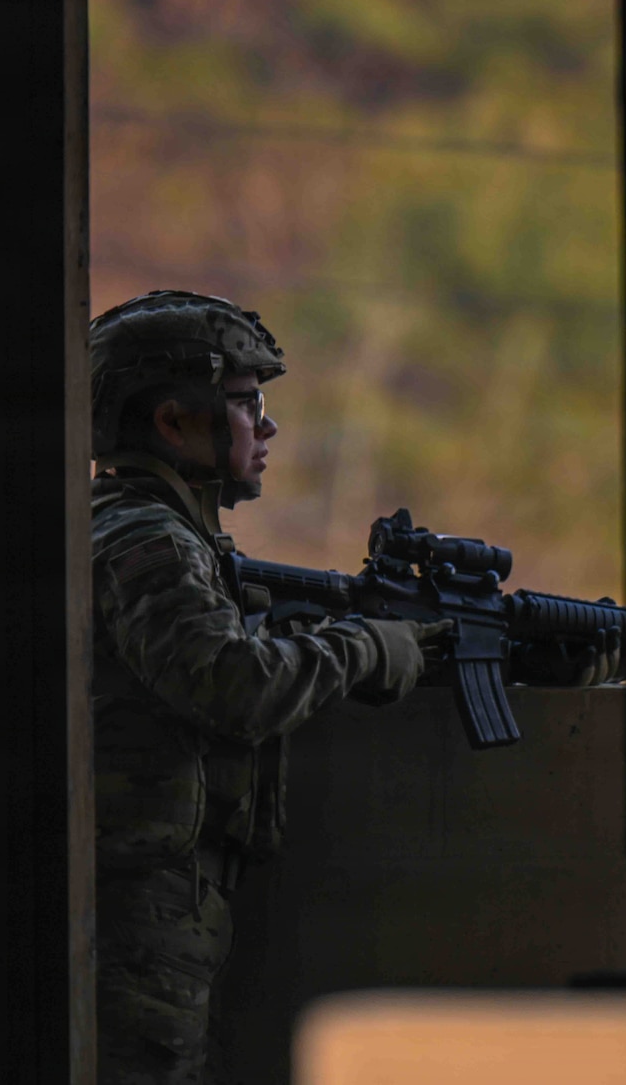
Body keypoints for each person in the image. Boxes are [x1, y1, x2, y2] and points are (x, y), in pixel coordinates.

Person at [89, 290, 449, 1085]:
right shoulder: (147, 539)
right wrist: (365, 648)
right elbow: (233, 684)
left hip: (166, 910)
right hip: (139, 918)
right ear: (173, 422)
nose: (268, 426)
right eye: (247, 403)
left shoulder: (163, 534)